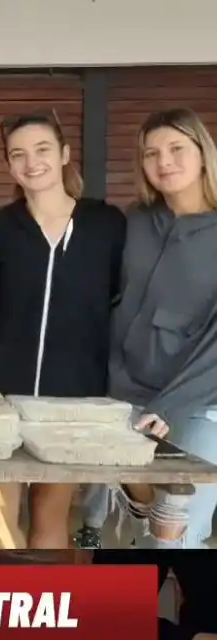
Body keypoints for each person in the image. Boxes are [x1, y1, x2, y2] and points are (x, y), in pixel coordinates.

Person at [0, 109, 126, 548]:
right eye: (17, 154)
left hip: (74, 395)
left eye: (42, 149)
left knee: (50, 518)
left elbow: (122, 297)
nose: (31, 162)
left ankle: (47, 611)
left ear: (63, 154)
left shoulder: (107, 224)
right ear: (9, 165)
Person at [108, 107, 217, 549]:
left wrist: (170, 406)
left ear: (203, 153)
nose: (164, 161)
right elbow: (114, 306)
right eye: (151, 153)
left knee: (176, 531)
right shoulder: (135, 222)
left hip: (199, 401)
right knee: (147, 530)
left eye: (176, 149)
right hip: (126, 395)